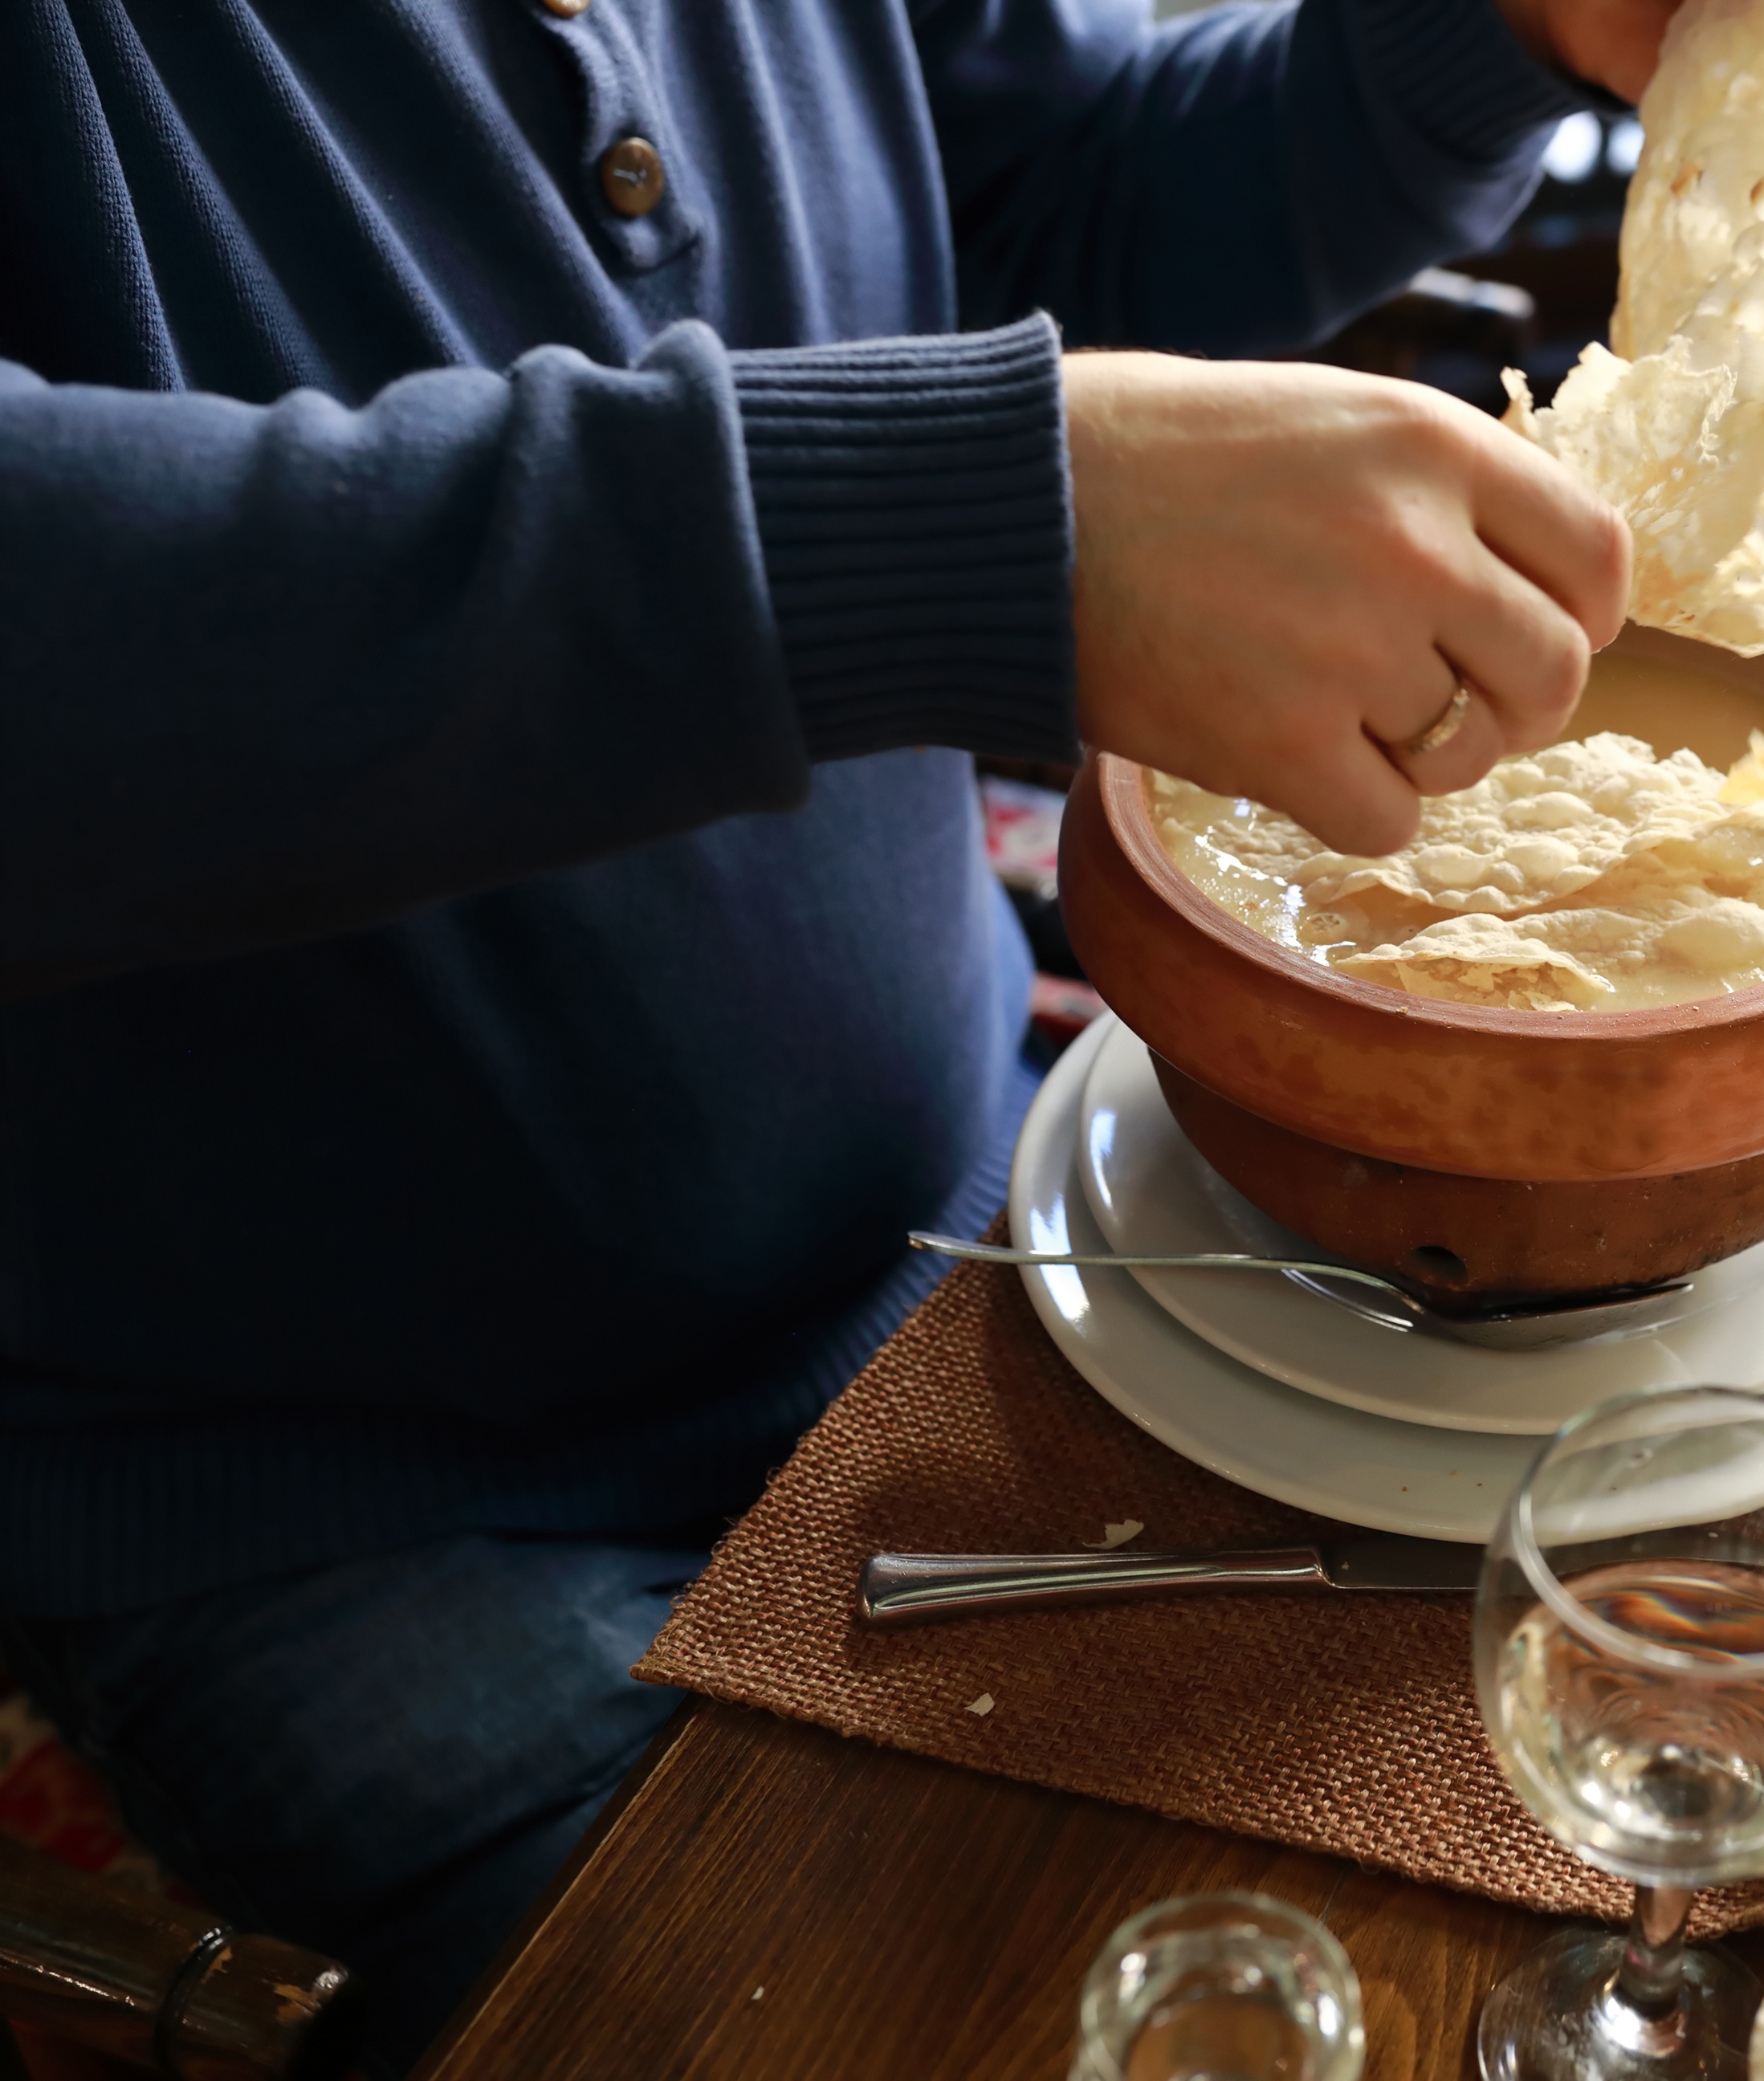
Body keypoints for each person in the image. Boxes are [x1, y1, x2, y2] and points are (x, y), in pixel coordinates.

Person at [0, 0, 1664, 2062]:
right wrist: (929, 526)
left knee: (1574, 1796)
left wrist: (1483, 38)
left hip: (984, 1219)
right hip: (347, 1494)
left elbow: (1054, 200)